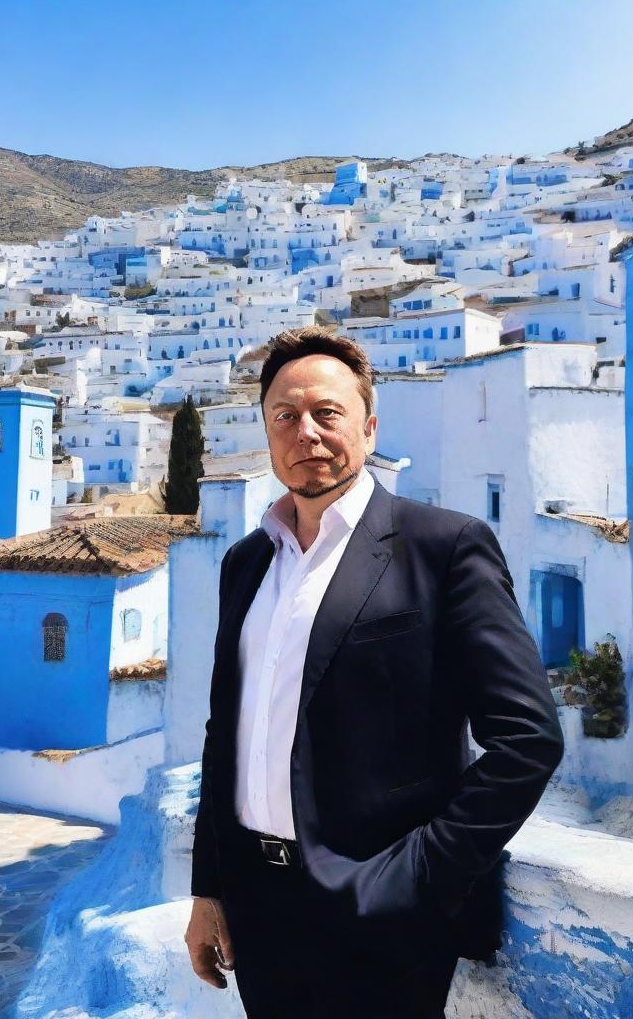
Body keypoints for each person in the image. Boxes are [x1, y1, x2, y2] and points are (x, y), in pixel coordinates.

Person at [185, 327, 564, 1018]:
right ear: (267, 432)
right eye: (286, 416)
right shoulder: (246, 564)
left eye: (327, 413)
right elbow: (227, 735)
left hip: (382, 922)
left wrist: (415, 880)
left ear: (368, 424)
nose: (307, 432)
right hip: (260, 913)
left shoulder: (443, 547)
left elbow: (529, 740)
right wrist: (209, 889)